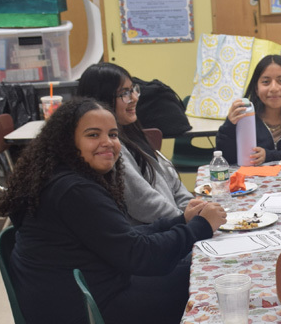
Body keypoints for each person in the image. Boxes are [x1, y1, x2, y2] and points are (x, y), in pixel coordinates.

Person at [0, 98, 226, 324]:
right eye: (93, 135)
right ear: (66, 141)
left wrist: (181, 221)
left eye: (113, 134)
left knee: (192, 265)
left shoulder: (63, 179)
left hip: (77, 306)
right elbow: (141, 256)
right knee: (208, 279)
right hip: (79, 323)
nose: (108, 142)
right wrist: (201, 227)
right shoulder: (75, 190)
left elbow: (122, 239)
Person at [77, 62, 194, 225]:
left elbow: (173, 182)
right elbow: (143, 202)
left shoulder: (133, 133)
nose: (134, 98)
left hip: (175, 226)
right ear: (102, 99)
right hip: (158, 235)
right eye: (125, 93)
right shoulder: (110, 150)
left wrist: (193, 209)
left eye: (133, 90)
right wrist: (187, 220)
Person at [216, 55, 281, 166]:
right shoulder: (243, 118)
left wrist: (270, 155)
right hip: (251, 182)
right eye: (266, 82)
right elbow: (225, 160)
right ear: (256, 88)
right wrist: (229, 125)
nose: (274, 88)